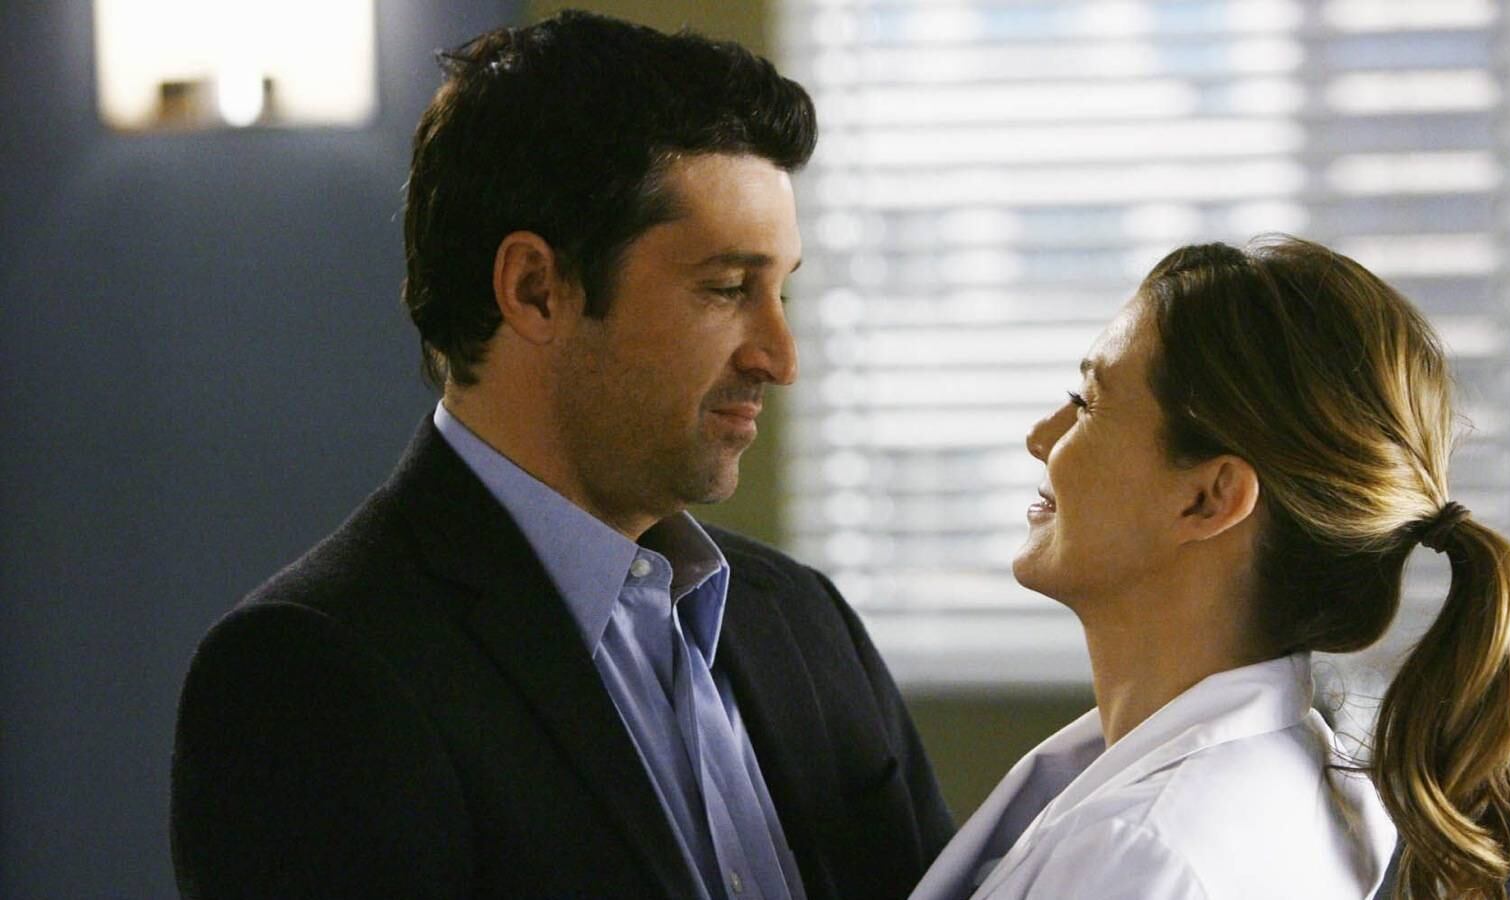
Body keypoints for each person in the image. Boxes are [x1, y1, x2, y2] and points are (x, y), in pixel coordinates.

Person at [169, 12, 953, 899]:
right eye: (728, 288)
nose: (781, 356)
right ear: (536, 289)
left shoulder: (804, 621)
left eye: (781, 290)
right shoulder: (307, 675)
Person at [910, 237, 1510, 900]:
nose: (1041, 438)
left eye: (1088, 404)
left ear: (1209, 498)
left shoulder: (1140, 856)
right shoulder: (1287, 777)